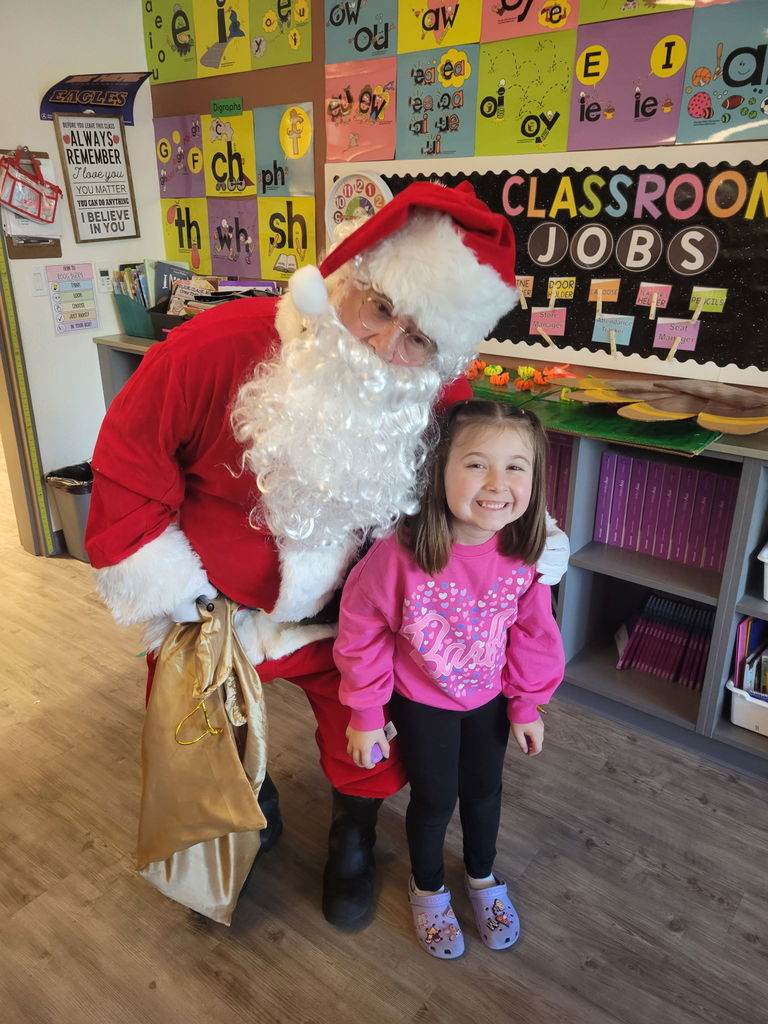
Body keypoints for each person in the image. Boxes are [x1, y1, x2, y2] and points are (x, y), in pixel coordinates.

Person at [84, 181, 570, 930]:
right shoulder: (214, 346)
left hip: (354, 617)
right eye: (377, 307)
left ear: (440, 359)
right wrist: (169, 587)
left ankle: (354, 831)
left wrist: (529, 540)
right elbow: (128, 458)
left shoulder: (441, 399)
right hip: (212, 608)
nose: (383, 346)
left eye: (417, 338)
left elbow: (486, 480)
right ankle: (245, 807)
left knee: (370, 731)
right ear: (340, 279)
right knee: (195, 728)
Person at [335, 400, 565, 957]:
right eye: (476, 464)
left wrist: (526, 704)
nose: (497, 483)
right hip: (423, 704)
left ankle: (482, 877)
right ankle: (429, 885)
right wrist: (366, 715)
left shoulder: (523, 553)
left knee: (485, 794)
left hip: (487, 701)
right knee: (436, 801)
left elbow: (533, 632)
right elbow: (361, 629)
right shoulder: (400, 555)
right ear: (438, 469)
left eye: (516, 467)